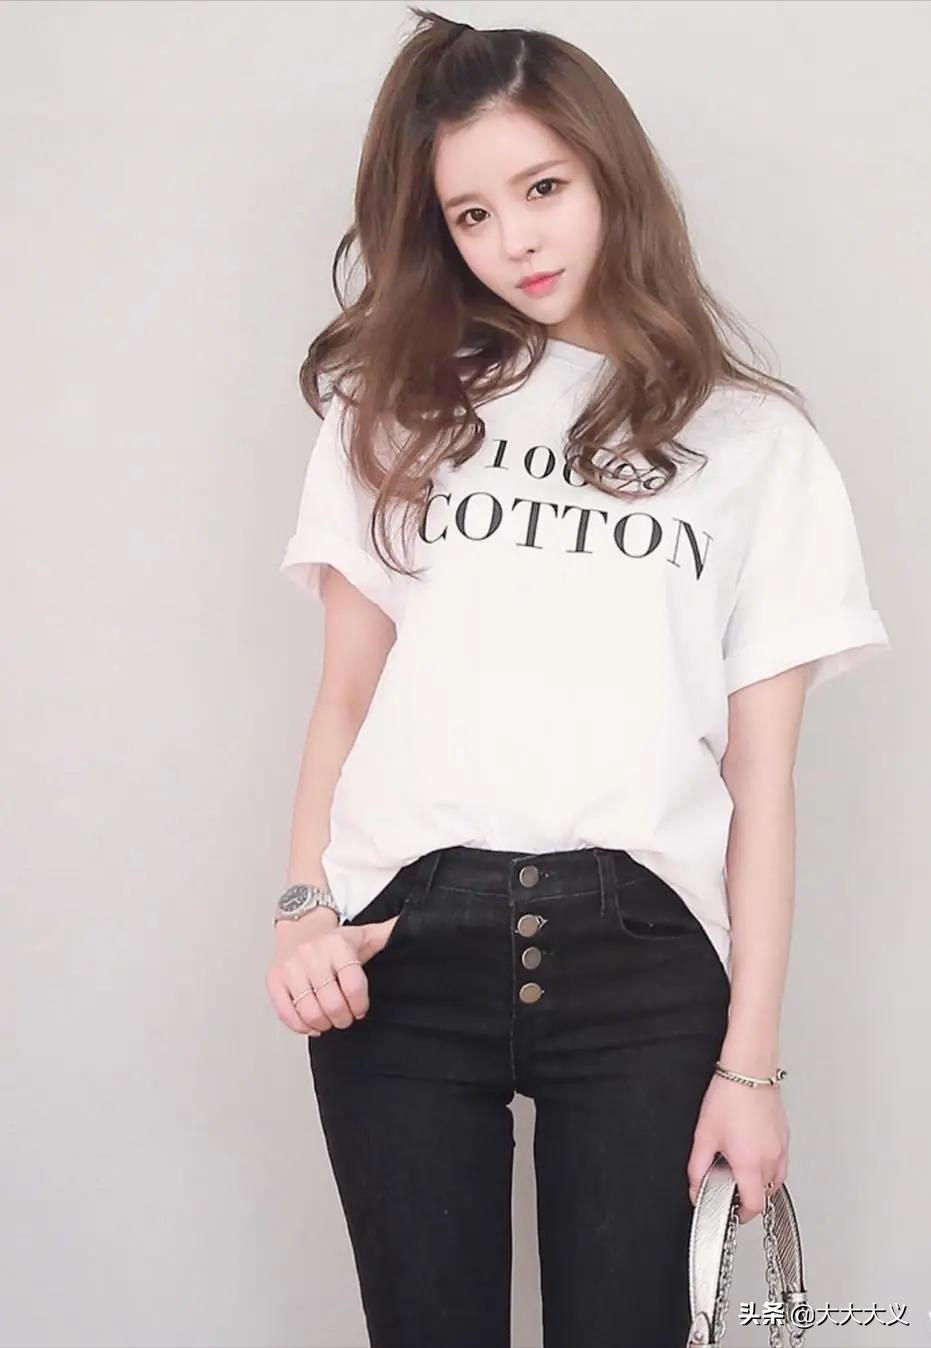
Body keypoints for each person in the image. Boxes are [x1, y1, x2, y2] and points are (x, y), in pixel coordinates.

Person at [264, 9, 891, 1347]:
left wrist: (751, 1066)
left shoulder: (755, 446)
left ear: (611, 172)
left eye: (543, 188)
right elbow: (344, 702)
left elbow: (763, 783)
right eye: (472, 214)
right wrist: (303, 909)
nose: (516, 240)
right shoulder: (396, 403)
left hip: (644, 964)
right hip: (402, 949)